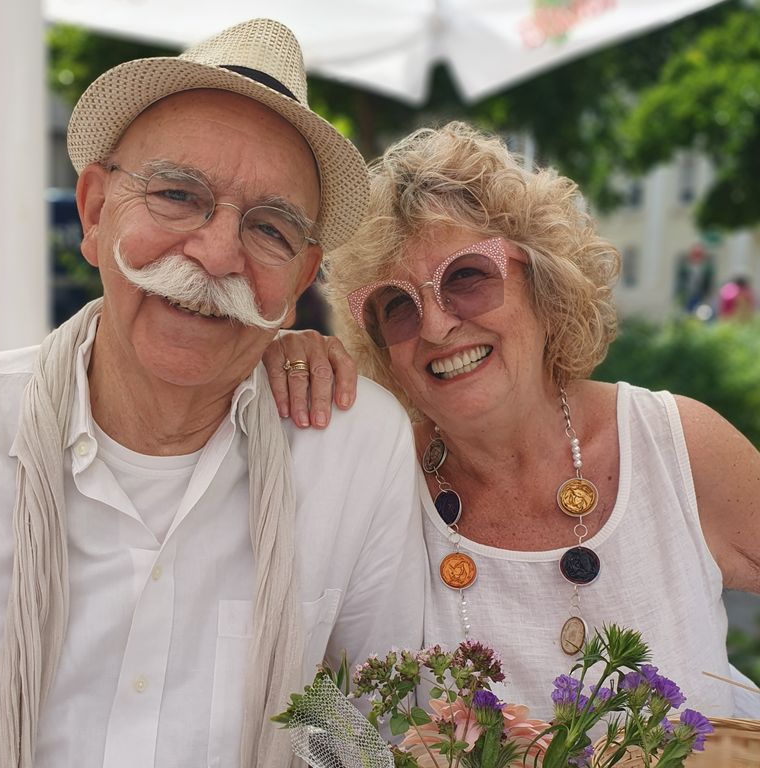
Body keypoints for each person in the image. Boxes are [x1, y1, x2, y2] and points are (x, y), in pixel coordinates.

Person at [0, 19, 425, 768]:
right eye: (177, 194)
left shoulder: (352, 450)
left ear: (299, 282)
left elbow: (385, 746)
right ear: (94, 210)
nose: (217, 254)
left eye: (270, 228)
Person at [268, 121, 760, 730]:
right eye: (395, 306)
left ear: (543, 281)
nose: (437, 327)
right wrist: (268, 359)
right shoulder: (383, 487)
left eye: (467, 276)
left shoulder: (675, 446)